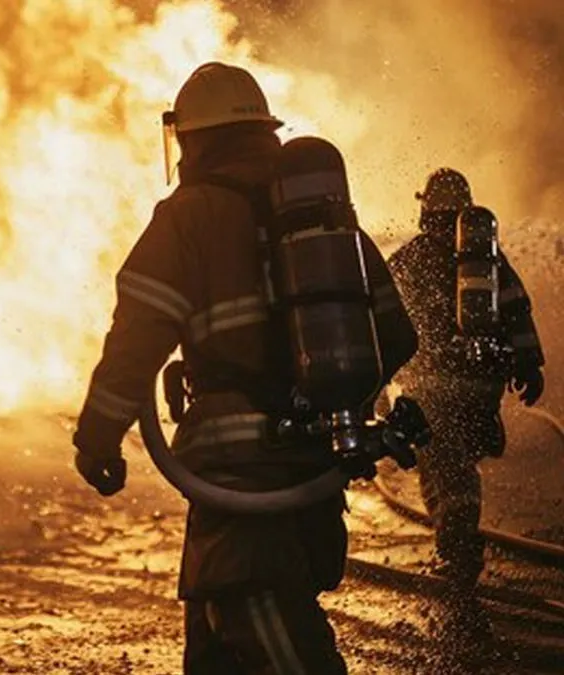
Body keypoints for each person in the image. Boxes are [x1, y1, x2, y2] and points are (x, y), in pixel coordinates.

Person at [70, 61, 419, 674]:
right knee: (217, 643)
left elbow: (134, 343)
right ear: (263, 131)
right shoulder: (322, 216)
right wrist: (328, 401)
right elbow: (396, 335)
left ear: (194, 140)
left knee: (260, 619)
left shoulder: (188, 216)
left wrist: (96, 438)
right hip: (313, 461)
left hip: (238, 474)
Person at [387, 168, 546, 633]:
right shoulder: (488, 260)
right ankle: (458, 544)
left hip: (430, 387)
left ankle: (456, 551)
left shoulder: (409, 258)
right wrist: (528, 366)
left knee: (443, 468)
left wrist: (378, 387)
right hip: (480, 387)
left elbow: (386, 323)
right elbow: (517, 309)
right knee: (461, 464)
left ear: (425, 209)